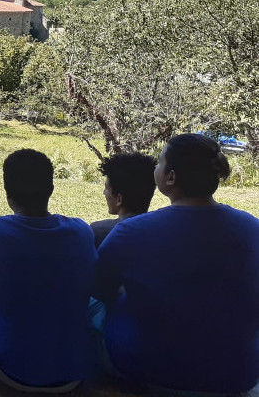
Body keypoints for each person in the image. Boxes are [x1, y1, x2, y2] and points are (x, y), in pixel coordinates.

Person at [94, 133, 259, 394]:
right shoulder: (252, 227)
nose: (155, 169)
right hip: (237, 373)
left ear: (170, 177)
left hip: (150, 368)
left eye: (159, 163)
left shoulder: (133, 231)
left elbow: (98, 289)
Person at [0, 149, 96, 392]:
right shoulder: (81, 231)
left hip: (11, 368)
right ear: (51, 189)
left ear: (7, 193)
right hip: (73, 371)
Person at [91, 152, 157, 248]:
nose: (104, 193)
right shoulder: (163, 231)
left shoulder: (98, 232)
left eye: (106, 189)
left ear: (119, 199)